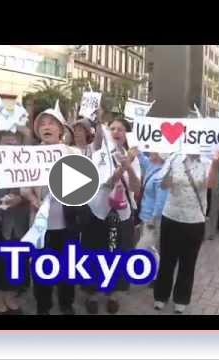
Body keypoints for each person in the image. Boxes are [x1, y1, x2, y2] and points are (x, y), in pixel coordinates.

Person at [20, 106, 80, 315]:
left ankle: (66, 303)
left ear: (61, 129)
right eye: (42, 124)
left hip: (68, 222)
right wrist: (32, 197)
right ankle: (42, 305)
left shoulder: (73, 153)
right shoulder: (30, 154)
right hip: (40, 222)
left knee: (67, 265)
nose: (46, 127)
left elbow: (84, 184)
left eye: (51, 123)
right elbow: (24, 186)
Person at [154, 149, 219, 313]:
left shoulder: (208, 161)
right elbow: (162, 185)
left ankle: (181, 299)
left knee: (188, 263)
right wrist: (166, 172)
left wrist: (216, 165)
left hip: (194, 219)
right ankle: (161, 296)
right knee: (167, 259)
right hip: (171, 216)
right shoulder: (174, 157)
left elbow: (211, 185)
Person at [82, 117, 141, 314]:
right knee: (93, 251)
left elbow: (135, 187)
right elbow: (104, 184)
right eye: (113, 128)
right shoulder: (98, 155)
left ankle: (113, 293)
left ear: (127, 134)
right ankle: (91, 293)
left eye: (120, 129)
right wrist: (120, 169)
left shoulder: (133, 157)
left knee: (117, 254)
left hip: (122, 215)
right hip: (98, 211)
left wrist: (129, 166)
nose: (116, 132)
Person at [0, 130, 30, 314]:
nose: (11, 139)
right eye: (6, 135)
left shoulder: (29, 160)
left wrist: (22, 199)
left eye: (15, 136)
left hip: (19, 220)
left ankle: (11, 296)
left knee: (17, 259)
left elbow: (34, 189)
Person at [134, 151, 169, 255]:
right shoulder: (151, 165)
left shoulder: (163, 175)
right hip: (145, 216)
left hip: (152, 220)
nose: (150, 152)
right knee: (149, 250)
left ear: (159, 155)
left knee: (142, 250)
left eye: (154, 151)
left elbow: (161, 201)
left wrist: (153, 219)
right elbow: (142, 159)